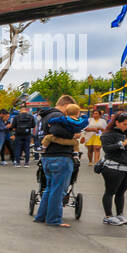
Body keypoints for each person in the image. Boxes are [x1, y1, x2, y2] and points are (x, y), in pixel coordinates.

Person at [34, 96, 87, 229]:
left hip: (48, 157)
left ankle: (41, 216)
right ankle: (53, 219)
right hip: (60, 157)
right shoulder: (58, 115)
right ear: (67, 105)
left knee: (50, 188)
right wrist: (73, 135)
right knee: (58, 191)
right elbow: (56, 131)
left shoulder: (45, 116)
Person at [100, 111, 127, 226]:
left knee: (121, 192)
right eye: (125, 124)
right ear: (117, 122)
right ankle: (108, 216)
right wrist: (122, 143)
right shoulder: (108, 134)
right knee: (110, 191)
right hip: (113, 167)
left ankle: (120, 214)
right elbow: (107, 149)